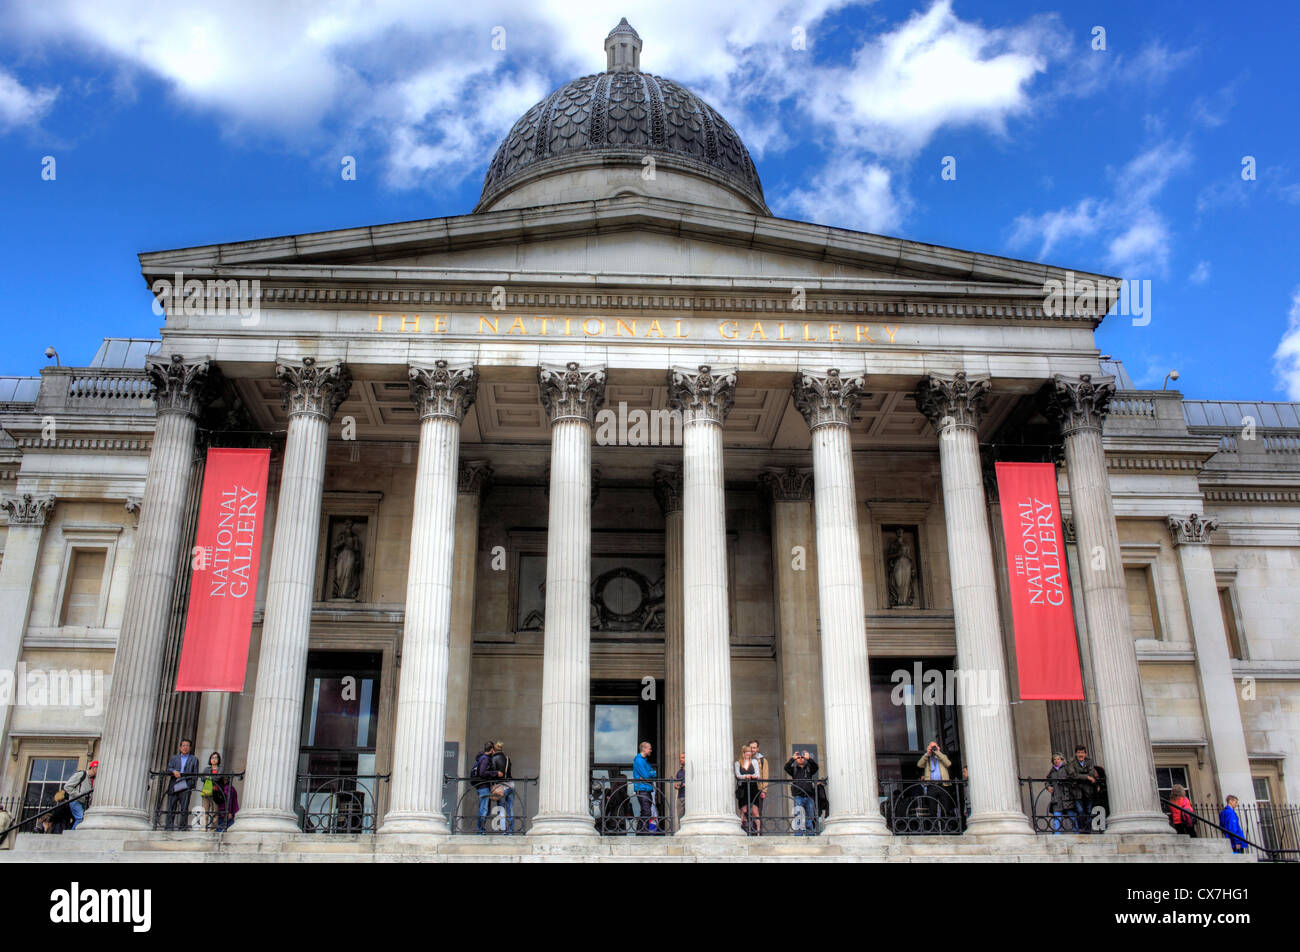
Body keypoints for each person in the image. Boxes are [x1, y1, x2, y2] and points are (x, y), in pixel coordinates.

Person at [164, 738, 200, 831]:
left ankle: (182, 827)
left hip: (186, 785)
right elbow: (168, 768)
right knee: (171, 806)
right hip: (174, 784)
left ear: (190, 748)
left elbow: (195, 773)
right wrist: (173, 771)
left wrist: (190, 785)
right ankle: (169, 826)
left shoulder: (194, 759)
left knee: (184, 808)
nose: (185, 747)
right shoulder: (174, 758)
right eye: (183, 745)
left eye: (187, 746)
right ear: (180, 747)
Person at [784, 750, 820, 835]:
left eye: (802, 757)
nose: (800, 759)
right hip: (798, 796)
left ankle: (810, 834)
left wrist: (809, 759)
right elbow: (786, 767)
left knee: (809, 817)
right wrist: (792, 759)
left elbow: (816, 767)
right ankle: (798, 835)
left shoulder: (809, 768)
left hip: (808, 795)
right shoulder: (794, 769)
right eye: (799, 758)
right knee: (798, 816)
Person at [1066, 745, 1099, 834]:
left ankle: (1088, 829)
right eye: (1079, 753)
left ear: (1085, 754)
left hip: (1088, 790)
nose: (1081, 754)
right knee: (1080, 811)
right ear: (1076, 754)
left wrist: (1082, 776)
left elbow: (1092, 773)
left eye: (1082, 753)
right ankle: (1082, 829)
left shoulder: (1089, 761)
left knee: (1088, 810)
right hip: (1077, 790)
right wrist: (1087, 777)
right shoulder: (1071, 762)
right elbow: (1072, 775)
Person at [489, 740, 515, 834]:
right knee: (510, 808)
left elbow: (494, 773)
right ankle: (511, 830)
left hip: (501, 786)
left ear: (494, 750)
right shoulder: (507, 758)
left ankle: (503, 830)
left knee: (501, 809)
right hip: (511, 784)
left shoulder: (493, 759)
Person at [1045, 753, 1075, 833]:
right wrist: (1048, 787)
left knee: (1072, 816)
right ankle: (1057, 835)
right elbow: (1047, 781)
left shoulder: (1066, 768)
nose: (1056, 761)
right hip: (1056, 798)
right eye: (1054, 759)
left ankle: (1076, 832)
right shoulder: (1052, 771)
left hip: (1067, 796)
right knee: (1057, 817)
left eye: (1058, 759)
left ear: (1062, 760)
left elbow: (1073, 778)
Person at [62, 760, 96, 829]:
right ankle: (72, 836)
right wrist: (79, 795)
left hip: (83, 803)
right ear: (93, 768)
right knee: (80, 818)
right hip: (75, 801)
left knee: (83, 820)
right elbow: (67, 786)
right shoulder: (81, 774)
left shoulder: (91, 779)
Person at [632, 741, 658, 833]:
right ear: (644, 749)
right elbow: (646, 775)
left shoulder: (646, 761)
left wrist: (650, 774)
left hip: (647, 789)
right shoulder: (638, 760)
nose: (651, 750)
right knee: (646, 812)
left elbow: (654, 774)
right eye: (649, 748)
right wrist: (649, 774)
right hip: (642, 789)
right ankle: (642, 831)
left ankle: (640, 831)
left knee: (645, 812)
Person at [735, 745, 760, 834]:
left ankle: (758, 832)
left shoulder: (754, 762)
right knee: (743, 810)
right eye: (746, 752)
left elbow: (758, 774)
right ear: (743, 753)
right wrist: (745, 776)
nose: (748, 754)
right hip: (743, 788)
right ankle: (742, 830)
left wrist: (753, 776)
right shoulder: (738, 763)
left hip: (753, 787)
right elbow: (738, 775)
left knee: (755, 811)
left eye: (749, 752)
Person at [472, 741, 494, 834]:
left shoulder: (481, 758)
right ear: (492, 750)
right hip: (484, 786)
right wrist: (495, 773)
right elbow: (482, 773)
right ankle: (480, 830)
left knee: (484, 809)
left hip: (481, 786)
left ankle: (480, 829)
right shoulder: (485, 759)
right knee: (484, 809)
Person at [748, 740, 769, 835]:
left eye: (754, 747)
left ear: (758, 748)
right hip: (748, 788)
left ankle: (758, 833)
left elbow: (765, 776)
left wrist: (764, 790)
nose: (752, 749)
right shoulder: (745, 758)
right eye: (751, 747)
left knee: (758, 811)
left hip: (758, 789)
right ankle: (749, 831)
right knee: (747, 811)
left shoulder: (763, 760)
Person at [674, 752, 685, 826]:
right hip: (680, 797)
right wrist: (676, 785)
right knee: (680, 819)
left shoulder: (692, 770)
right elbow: (676, 783)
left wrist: (685, 784)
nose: (681, 759)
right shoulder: (679, 772)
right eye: (680, 757)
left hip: (689, 797)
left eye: (683, 757)